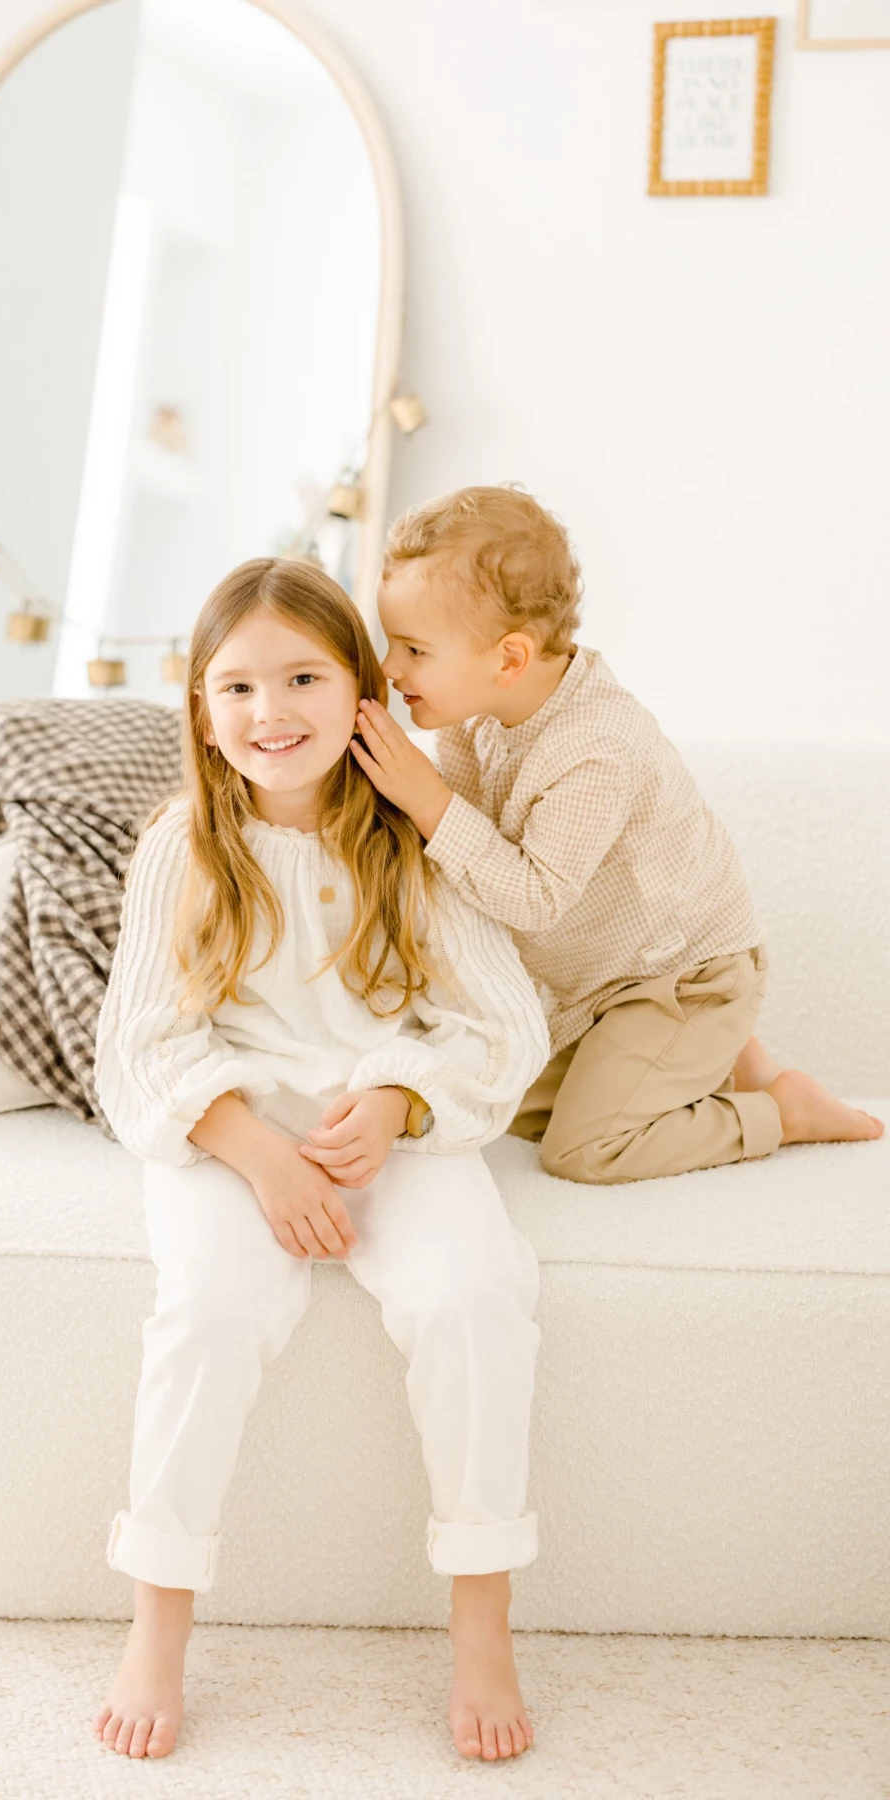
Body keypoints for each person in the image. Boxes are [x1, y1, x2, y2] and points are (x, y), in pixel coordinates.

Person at [92, 556, 551, 1762]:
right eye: (236, 686)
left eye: (302, 676)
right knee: (205, 1311)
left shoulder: (415, 838)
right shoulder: (184, 847)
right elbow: (138, 1052)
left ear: (362, 694)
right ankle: (158, 1617)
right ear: (200, 707)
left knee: (474, 1296)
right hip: (227, 1126)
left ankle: (482, 1616)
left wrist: (400, 1097)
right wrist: (253, 1150)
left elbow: (505, 1027)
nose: (269, 711)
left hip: (395, 1113)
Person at [352, 483, 883, 1184]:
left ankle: (781, 1110)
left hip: (681, 976)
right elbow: (465, 864)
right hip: (592, 993)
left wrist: (429, 804)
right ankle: (727, 1066)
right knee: (487, 1107)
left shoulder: (597, 743)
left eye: (414, 649)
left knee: (582, 1151)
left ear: (509, 659)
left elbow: (534, 898)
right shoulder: (470, 719)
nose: (392, 669)